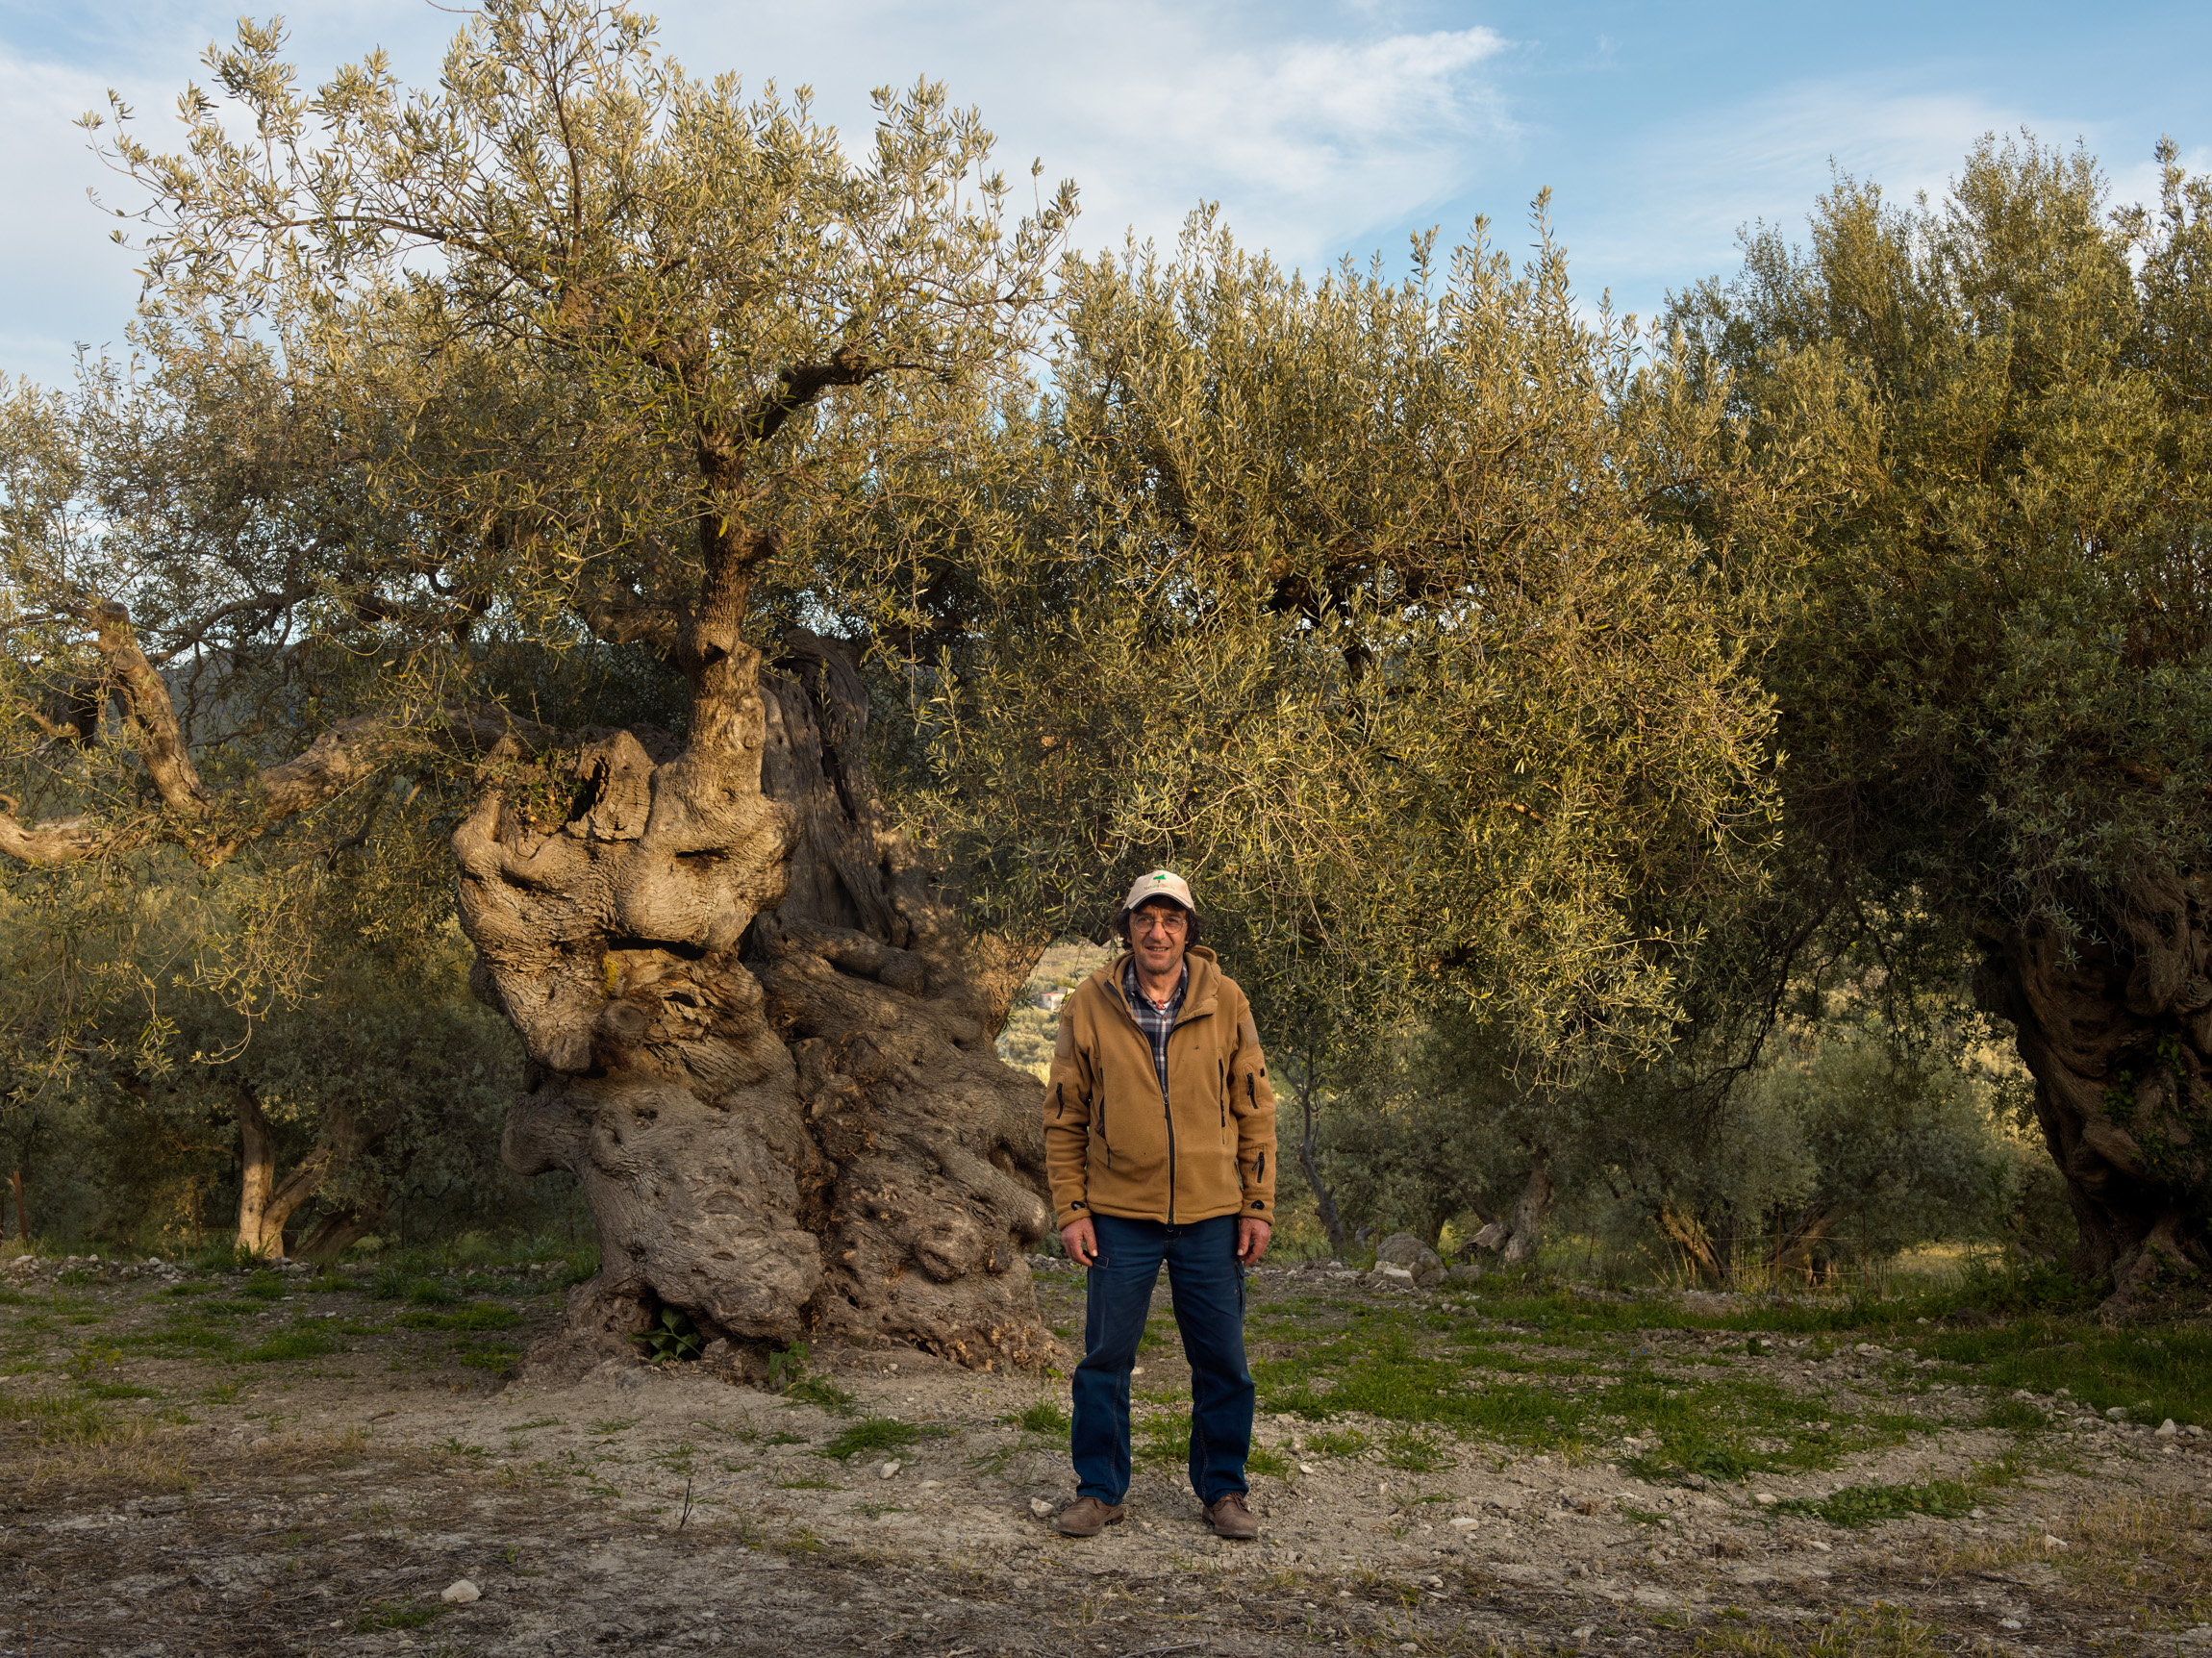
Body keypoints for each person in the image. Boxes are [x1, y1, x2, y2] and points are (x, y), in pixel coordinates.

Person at [1042, 868, 1277, 1540]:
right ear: (1127, 928)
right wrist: (1072, 1209)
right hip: (1118, 1213)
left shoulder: (1227, 1000)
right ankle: (1099, 1491)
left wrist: (1257, 1206)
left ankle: (1224, 1492)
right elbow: (1063, 1118)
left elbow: (1255, 1111)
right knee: (1104, 1362)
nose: (1158, 930)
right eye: (1146, 918)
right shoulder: (1089, 1003)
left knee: (1224, 1363)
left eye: (1172, 918)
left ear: (1188, 931)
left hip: (1212, 1215)